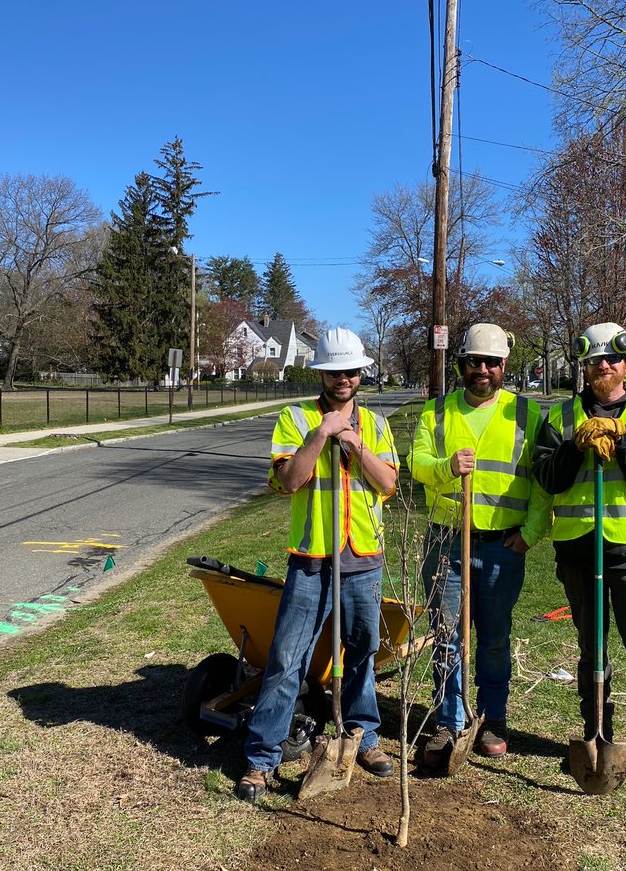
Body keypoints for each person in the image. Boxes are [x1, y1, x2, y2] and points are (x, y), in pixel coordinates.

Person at [235, 327, 399, 803]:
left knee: (362, 655)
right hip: (311, 561)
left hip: (363, 559)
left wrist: (352, 442)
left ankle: (363, 738)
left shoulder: (375, 423)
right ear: (321, 374)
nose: (343, 379)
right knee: (287, 660)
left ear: (360, 373)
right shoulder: (295, 417)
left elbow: (388, 483)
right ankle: (261, 758)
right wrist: (321, 434)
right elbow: (287, 481)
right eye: (334, 372)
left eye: (350, 371)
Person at [530, 322, 626, 794]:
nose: (604, 367)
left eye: (611, 360)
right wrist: (575, 447)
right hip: (580, 553)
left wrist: (621, 439)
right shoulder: (559, 417)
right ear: (584, 366)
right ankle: (597, 736)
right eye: (595, 361)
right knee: (592, 654)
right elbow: (549, 480)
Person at [408, 322, 550, 770]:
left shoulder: (527, 414)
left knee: (493, 638)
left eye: (491, 362)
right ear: (461, 365)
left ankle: (492, 718)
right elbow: (415, 464)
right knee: (447, 637)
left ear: (504, 366)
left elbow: (542, 483)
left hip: (502, 547)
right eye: (474, 362)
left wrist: (529, 534)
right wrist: (446, 466)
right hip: (447, 540)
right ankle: (448, 720)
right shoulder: (437, 413)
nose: (482, 370)